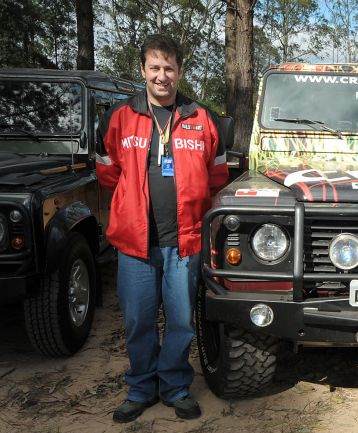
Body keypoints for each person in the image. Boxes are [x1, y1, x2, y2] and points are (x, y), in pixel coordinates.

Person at [96, 34, 228, 422]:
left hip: (184, 242)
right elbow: (108, 173)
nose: (162, 75)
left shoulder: (202, 117)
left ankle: (174, 386)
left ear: (180, 71)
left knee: (181, 320)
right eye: (154, 67)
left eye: (169, 67)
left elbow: (217, 176)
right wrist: (131, 205)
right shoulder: (120, 117)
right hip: (134, 242)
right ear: (142, 71)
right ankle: (140, 388)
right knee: (138, 320)